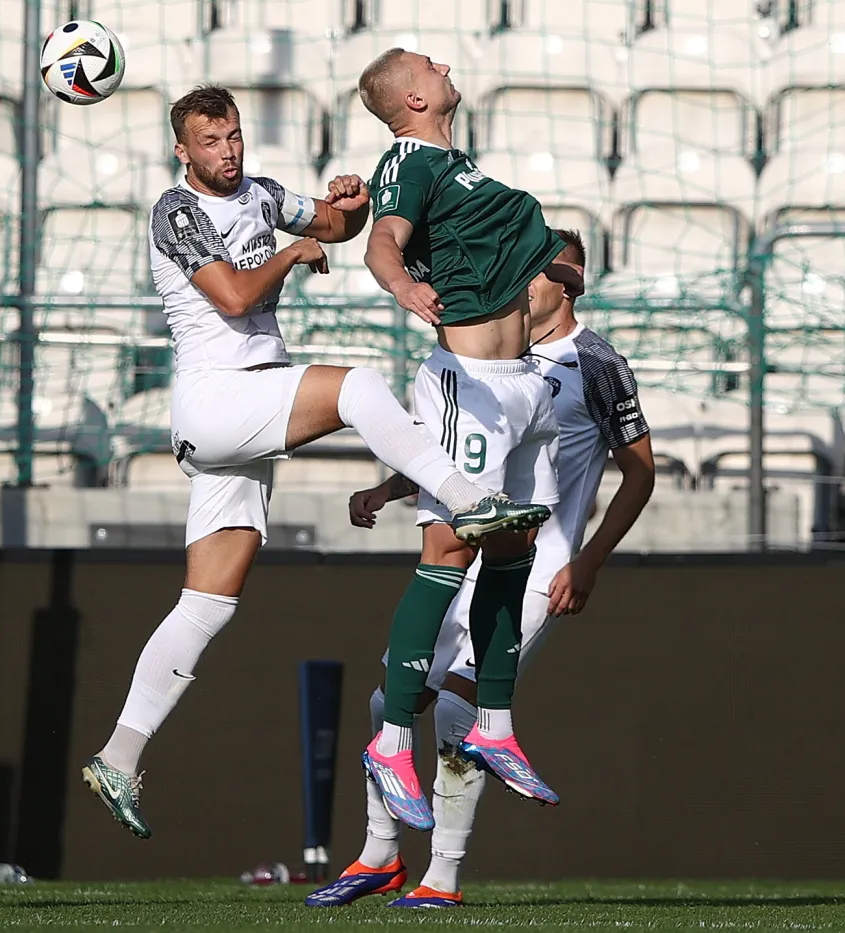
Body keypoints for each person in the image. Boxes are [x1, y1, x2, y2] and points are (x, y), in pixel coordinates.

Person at [80, 85, 552, 840]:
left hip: (247, 405)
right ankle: (466, 497)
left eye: (233, 136)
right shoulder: (176, 211)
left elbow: (332, 224)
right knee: (359, 385)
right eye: (210, 142)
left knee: (209, 602)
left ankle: (118, 755)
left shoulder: (262, 193)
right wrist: (295, 252)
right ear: (182, 151)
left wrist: (349, 204)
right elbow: (234, 297)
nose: (227, 151)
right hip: (219, 397)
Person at [307, 231, 656, 909]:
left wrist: (588, 559)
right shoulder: (495, 357)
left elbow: (640, 472)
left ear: (566, 284)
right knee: (391, 698)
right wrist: (389, 489)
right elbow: (463, 454)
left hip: (539, 564)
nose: (519, 283)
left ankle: (444, 874)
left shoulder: (595, 362)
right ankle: (379, 855)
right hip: (471, 548)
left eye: (534, 272)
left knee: (458, 706)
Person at [354, 48, 575, 827]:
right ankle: (391, 741)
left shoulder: (457, 163)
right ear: (413, 97)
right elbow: (383, 240)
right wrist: (404, 285)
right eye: (428, 64)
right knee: (449, 550)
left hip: (521, 383)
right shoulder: (409, 159)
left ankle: (495, 723)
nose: (444, 64)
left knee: (514, 547)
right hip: (470, 384)